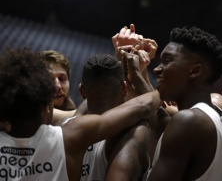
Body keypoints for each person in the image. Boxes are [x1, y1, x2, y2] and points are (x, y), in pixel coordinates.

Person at [0, 47, 161, 181]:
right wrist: (134, 72)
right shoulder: (69, 135)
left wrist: (109, 69)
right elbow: (145, 104)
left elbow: (90, 103)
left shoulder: (68, 125)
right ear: (46, 108)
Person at [145, 26, 222, 181]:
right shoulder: (220, 118)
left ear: (195, 71)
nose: (157, 69)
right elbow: (157, 116)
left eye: (167, 61)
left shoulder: (188, 120)